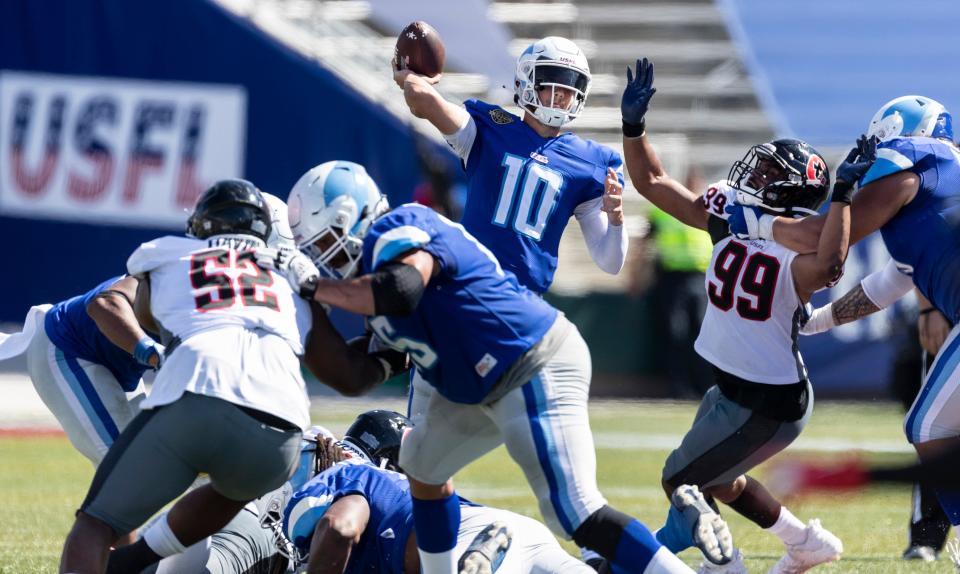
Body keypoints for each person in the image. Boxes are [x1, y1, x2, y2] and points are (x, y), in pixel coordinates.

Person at [279, 160, 704, 574]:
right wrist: (309, 307)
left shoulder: (403, 226)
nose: (319, 259)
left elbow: (403, 288)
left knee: (574, 510)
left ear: (349, 218)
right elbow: (354, 375)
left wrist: (315, 286)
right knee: (422, 464)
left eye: (320, 244)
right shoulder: (372, 293)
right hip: (479, 384)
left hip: (531, 357)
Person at [618, 58, 879, 572]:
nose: (750, 176)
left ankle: (725, 565)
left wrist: (844, 195)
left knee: (681, 482)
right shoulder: (732, 222)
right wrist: (634, 127)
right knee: (715, 479)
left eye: (766, 175)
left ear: (788, 194)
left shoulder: (796, 256)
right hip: (733, 388)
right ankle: (804, 541)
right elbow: (651, 181)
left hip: (770, 400)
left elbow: (828, 257)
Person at [60, 179, 390, 574]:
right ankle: (133, 563)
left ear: (201, 226)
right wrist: (392, 358)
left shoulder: (166, 255)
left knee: (96, 524)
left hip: (197, 394)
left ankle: (128, 559)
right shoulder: (292, 278)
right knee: (233, 490)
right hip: (281, 432)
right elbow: (347, 377)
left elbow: (147, 315)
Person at [727, 94, 960, 533]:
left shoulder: (912, 155)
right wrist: (818, 321)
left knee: (928, 426)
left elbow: (820, 239)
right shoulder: (936, 190)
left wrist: (755, 222)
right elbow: (893, 280)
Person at [393, 35, 627, 295]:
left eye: (571, 84)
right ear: (526, 79)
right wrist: (413, 79)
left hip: (524, 300)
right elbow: (421, 99)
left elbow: (611, 262)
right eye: (553, 79)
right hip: (469, 283)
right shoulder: (488, 128)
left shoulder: (589, 163)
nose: (563, 93)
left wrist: (616, 218)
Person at [281, 411, 596, 574]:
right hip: (517, 533)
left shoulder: (346, 477)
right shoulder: (389, 484)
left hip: (455, 549)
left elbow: (340, 527)